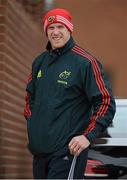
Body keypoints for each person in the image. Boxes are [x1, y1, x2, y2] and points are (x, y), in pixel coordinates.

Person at [24, 8, 116, 179]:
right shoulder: (39, 63)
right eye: (51, 28)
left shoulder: (85, 63)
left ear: (69, 29)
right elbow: (30, 98)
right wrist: (33, 125)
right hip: (40, 153)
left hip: (66, 152)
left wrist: (87, 136)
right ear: (46, 31)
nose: (55, 32)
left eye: (60, 27)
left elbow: (105, 102)